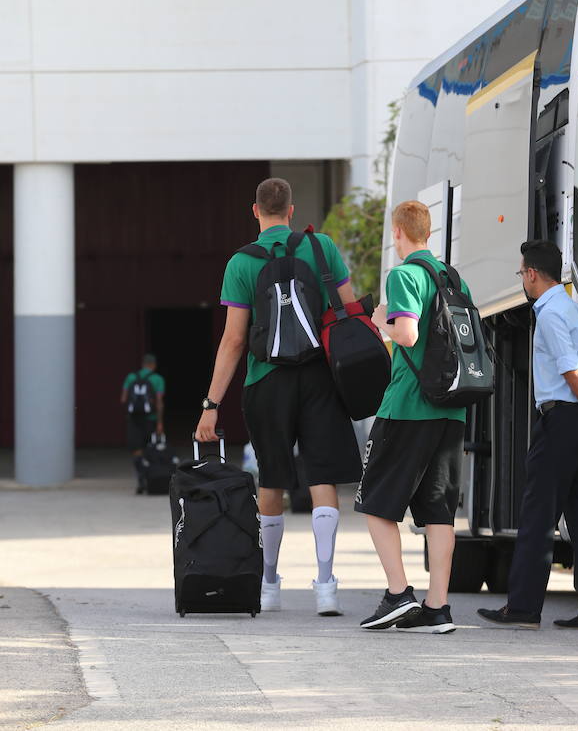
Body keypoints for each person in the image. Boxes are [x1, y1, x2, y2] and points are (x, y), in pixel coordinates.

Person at [195, 177, 362, 615]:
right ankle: (325, 585)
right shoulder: (321, 247)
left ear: (256, 211)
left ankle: (268, 584)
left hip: (267, 382)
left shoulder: (241, 263)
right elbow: (346, 312)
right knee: (321, 476)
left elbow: (233, 341)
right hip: (320, 378)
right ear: (291, 211)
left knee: (271, 479)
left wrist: (211, 405)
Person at [355, 200, 470, 634]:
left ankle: (399, 595)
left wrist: (380, 319)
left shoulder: (404, 274)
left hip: (407, 406)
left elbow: (407, 333)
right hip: (451, 409)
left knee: (374, 499)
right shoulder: (453, 278)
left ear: (398, 233)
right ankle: (437, 607)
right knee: (438, 509)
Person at [478, 240, 578, 630]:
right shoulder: (574, 308)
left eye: (521, 273)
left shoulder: (549, 314)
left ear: (531, 273)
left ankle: (524, 608)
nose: (522, 279)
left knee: (537, 514)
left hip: (561, 419)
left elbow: (571, 371)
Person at [121, 354, 165, 494]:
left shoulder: (130, 377)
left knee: (137, 450)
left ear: (143, 364)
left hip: (133, 419)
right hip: (150, 419)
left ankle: (140, 478)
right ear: (153, 365)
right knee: (149, 449)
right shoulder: (157, 379)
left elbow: (123, 399)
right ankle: (149, 478)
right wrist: (159, 423)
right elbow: (159, 402)